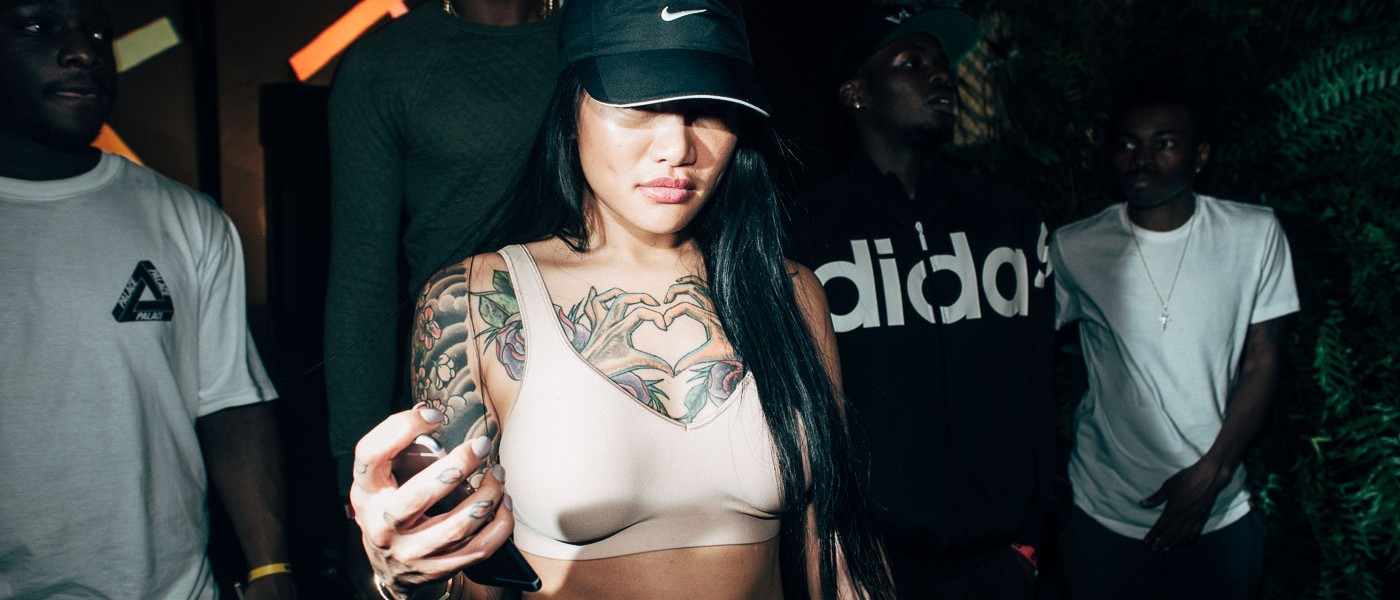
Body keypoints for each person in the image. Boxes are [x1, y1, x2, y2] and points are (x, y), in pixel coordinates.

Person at [347, 1, 894, 598]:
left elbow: (836, 552)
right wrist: (402, 576)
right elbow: (467, 575)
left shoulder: (789, 292)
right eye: (640, 106)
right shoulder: (477, 300)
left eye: (709, 111)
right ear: (570, 111)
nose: (677, 147)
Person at [0, 0, 296, 598]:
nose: (83, 51)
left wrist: (270, 569)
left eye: (97, 32)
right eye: (39, 27)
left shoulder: (188, 218)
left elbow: (230, 403)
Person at [789, 8, 1053, 598]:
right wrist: (831, 554)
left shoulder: (1008, 219)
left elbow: (1038, 380)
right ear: (856, 93)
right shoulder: (805, 230)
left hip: (1002, 563)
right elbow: (798, 413)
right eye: (911, 62)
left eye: (941, 63)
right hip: (871, 571)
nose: (940, 75)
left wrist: (1033, 539)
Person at [1050, 83, 1298, 599]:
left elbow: (1262, 358)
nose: (1141, 158)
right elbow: (1022, 356)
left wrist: (1214, 471)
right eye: (1127, 143)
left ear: (1200, 155)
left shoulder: (1254, 234)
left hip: (1219, 511)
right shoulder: (1075, 247)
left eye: (1164, 142)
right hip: (1104, 510)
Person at [325, 0, 559, 499]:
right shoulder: (387, 64)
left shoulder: (607, 34)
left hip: (601, 357)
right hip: (459, 384)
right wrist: (356, 477)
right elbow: (362, 279)